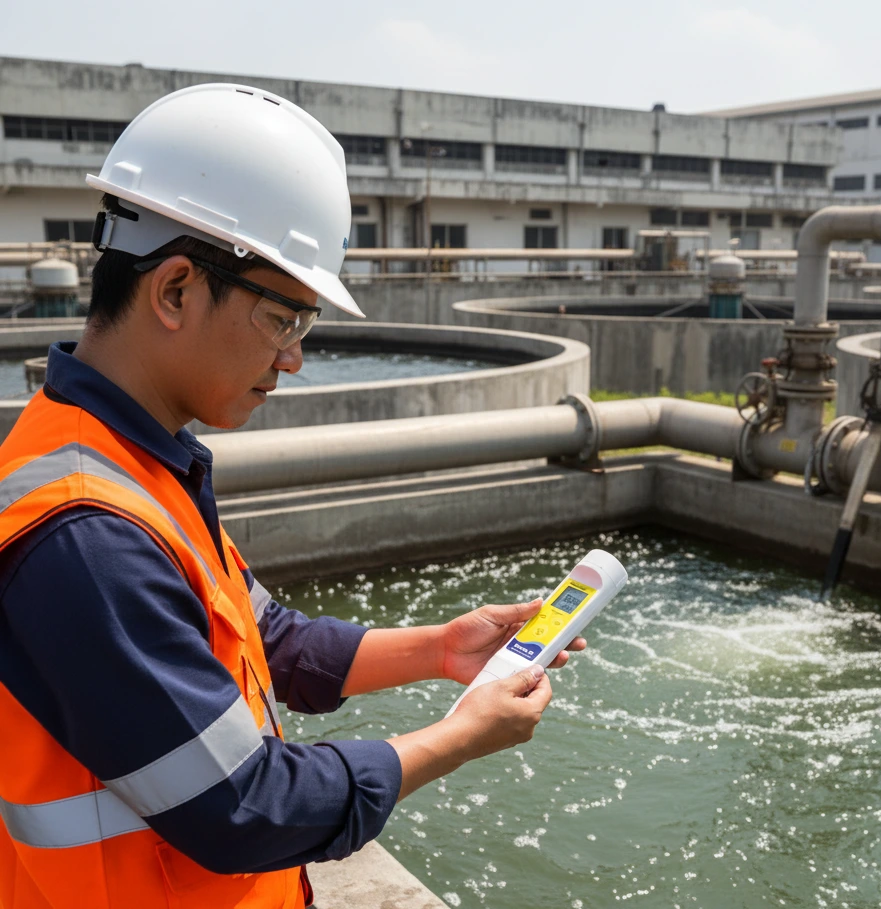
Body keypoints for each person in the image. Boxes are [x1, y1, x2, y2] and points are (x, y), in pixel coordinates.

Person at [0, 83, 583, 909]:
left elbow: (266, 636)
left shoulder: (129, 460)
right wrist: (458, 737)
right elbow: (245, 803)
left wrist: (444, 646)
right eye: (284, 319)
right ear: (174, 291)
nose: (293, 358)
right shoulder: (83, 536)